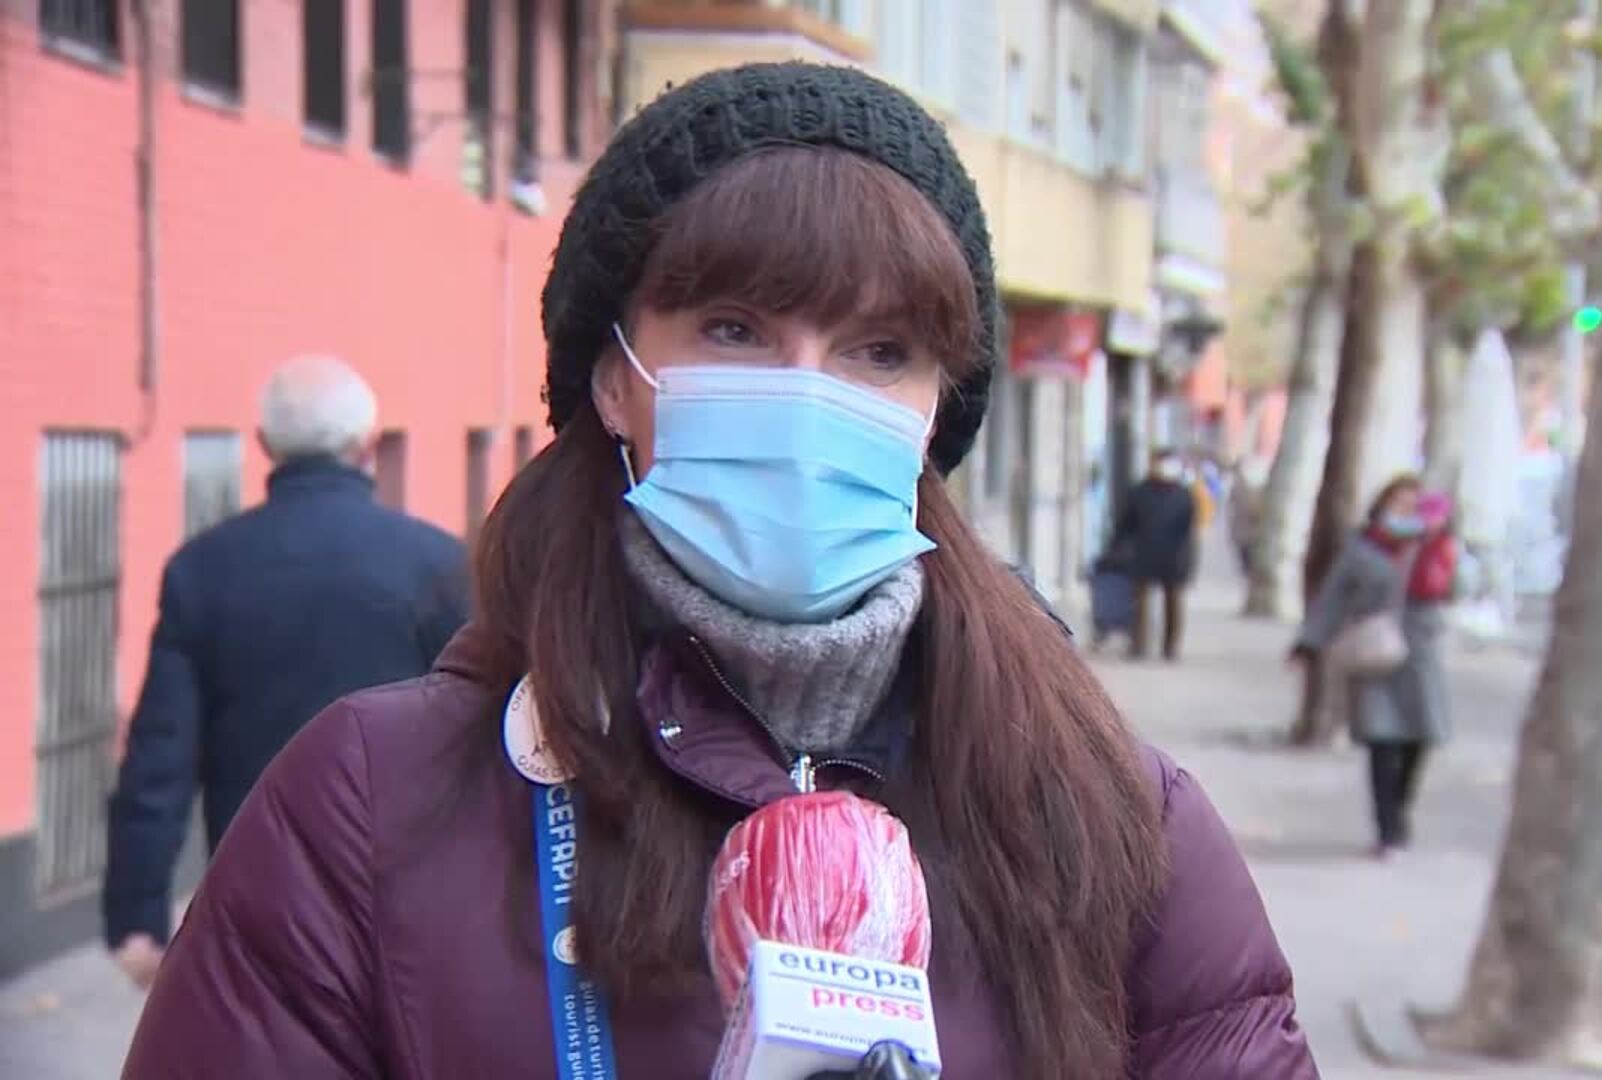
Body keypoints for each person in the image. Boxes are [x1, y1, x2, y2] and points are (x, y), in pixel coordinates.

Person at [122, 64, 1319, 1080]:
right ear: (614, 376)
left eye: (879, 351)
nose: (806, 393)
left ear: (931, 420)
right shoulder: (371, 806)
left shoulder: (1112, 813)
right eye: (736, 330)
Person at [102, 356, 468, 990]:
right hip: (406, 890)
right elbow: (478, 729)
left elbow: (161, 753)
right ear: (369, 444)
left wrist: (138, 914)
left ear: (265, 444)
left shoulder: (202, 570)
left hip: (256, 892)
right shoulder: (437, 564)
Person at [1291, 475, 1449, 859]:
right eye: (1398, 504)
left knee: (1419, 739)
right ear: (1381, 507)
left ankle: (1401, 807)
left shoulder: (1431, 547)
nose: (1405, 514)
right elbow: (1332, 598)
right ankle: (1388, 830)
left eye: (1414, 506)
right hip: (1373, 654)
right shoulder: (1361, 550)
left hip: (1419, 654)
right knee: (1383, 741)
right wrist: (1309, 641)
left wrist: (1437, 542)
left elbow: (1451, 588)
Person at [1113, 449, 1199, 662]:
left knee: (1173, 603)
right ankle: (1138, 644)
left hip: (1174, 557)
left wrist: (1187, 560)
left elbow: (1189, 530)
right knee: (1139, 602)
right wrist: (1118, 547)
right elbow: (1126, 524)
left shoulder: (1183, 494)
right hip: (1144, 554)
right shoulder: (1140, 492)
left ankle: (1170, 647)